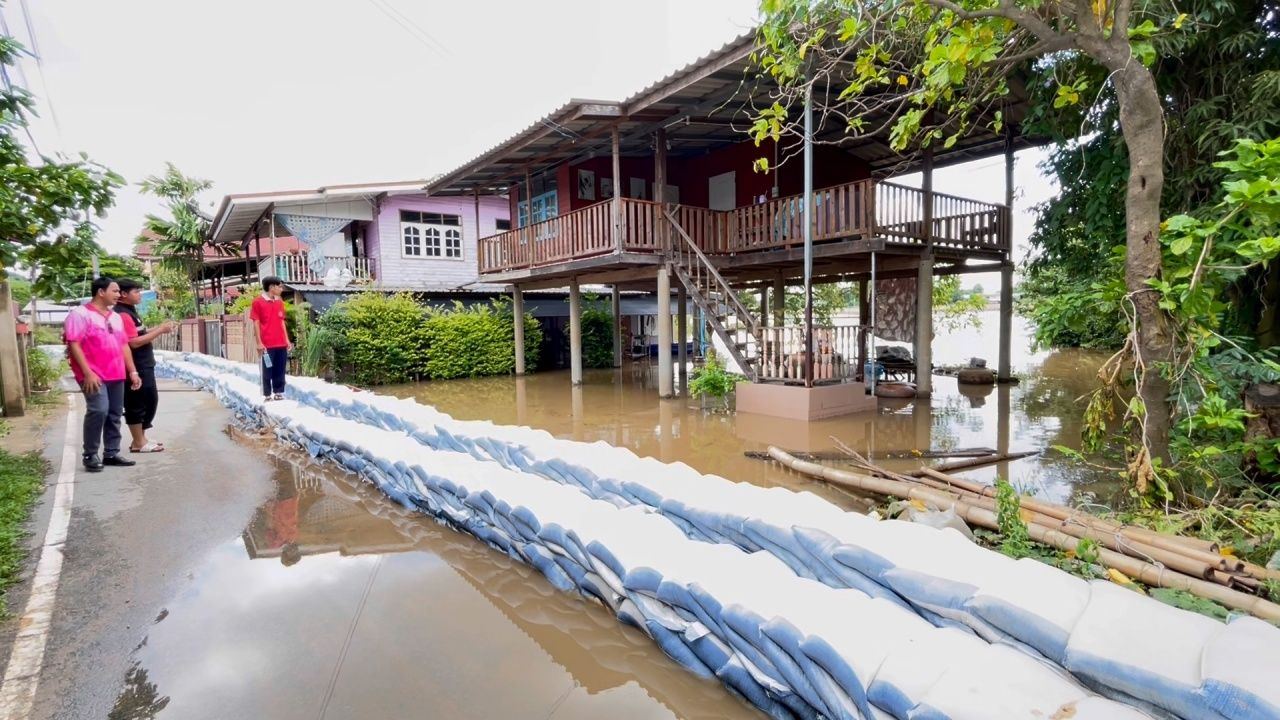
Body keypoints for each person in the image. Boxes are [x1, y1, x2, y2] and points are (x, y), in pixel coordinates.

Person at [64, 277, 142, 472]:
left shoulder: (115, 317)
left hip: (116, 372)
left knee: (115, 413)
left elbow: (124, 345)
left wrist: (132, 371)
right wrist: (87, 373)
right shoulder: (80, 314)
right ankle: (90, 454)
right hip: (92, 374)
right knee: (99, 410)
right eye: (114, 291)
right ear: (101, 292)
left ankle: (111, 453)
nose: (118, 294)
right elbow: (74, 344)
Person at [114, 279, 174, 452]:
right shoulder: (123, 314)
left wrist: (159, 328)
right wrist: (160, 330)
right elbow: (133, 342)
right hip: (137, 364)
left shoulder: (130, 312)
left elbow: (140, 334)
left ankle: (140, 439)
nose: (139, 294)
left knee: (149, 399)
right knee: (137, 402)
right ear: (124, 294)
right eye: (136, 291)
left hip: (144, 363)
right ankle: (138, 442)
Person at [250, 276, 292, 400]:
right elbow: (256, 322)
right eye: (279, 287)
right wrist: (259, 342)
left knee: (280, 368)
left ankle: (278, 392)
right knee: (267, 369)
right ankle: (267, 394)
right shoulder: (258, 302)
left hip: (281, 344)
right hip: (267, 345)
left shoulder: (279, 302)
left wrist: (287, 340)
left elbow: (281, 322)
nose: (281, 289)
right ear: (272, 287)